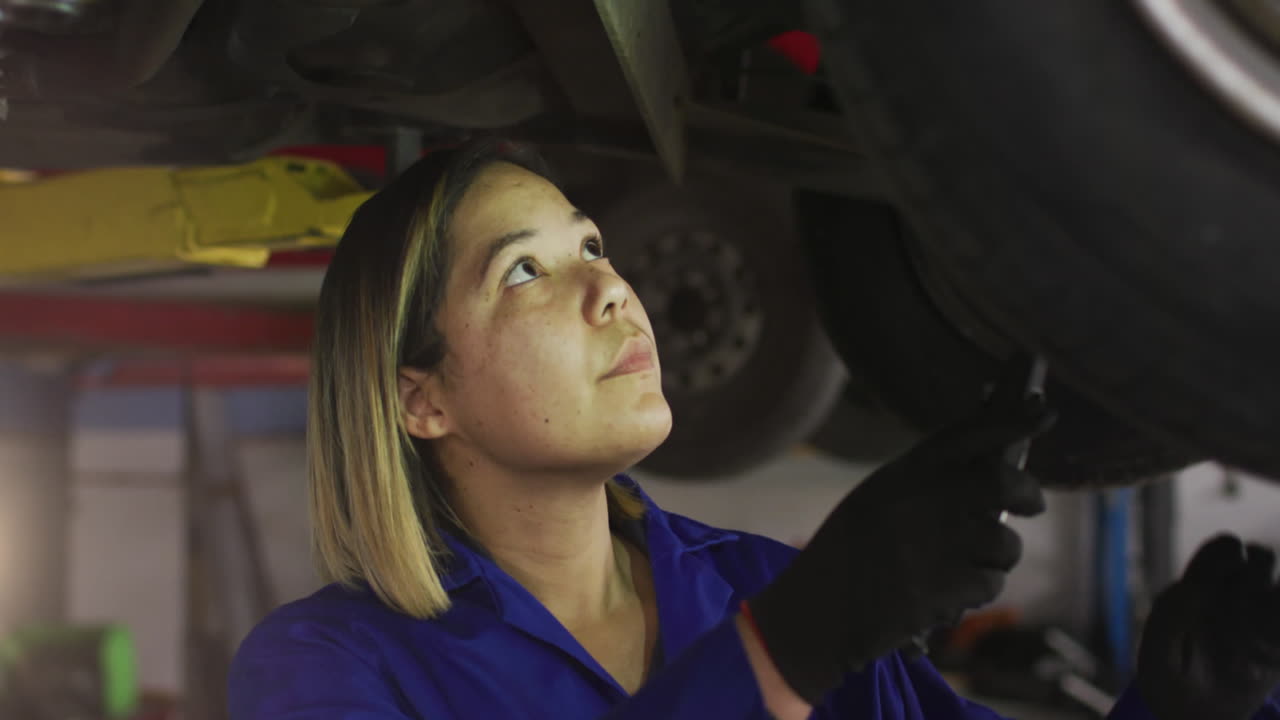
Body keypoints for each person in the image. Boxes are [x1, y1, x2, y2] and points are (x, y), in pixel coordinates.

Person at [228, 138, 1280, 719]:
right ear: (421, 398)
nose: (609, 287)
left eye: (592, 243)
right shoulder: (328, 667)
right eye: (524, 270)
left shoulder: (760, 590)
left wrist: (1181, 712)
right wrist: (783, 656)